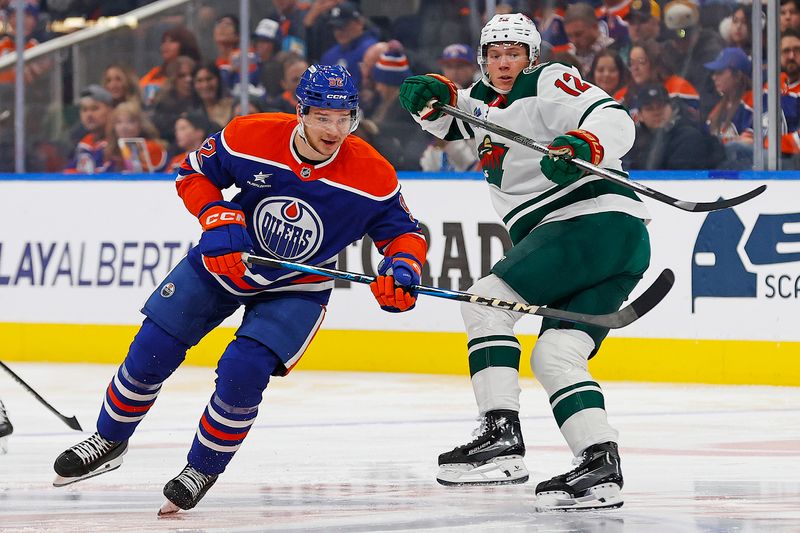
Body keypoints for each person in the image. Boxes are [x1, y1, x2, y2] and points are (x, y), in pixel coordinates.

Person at [52, 64, 428, 514]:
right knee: (153, 347)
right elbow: (192, 172)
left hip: (299, 285)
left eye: (343, 117)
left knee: (243, 369)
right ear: (300, 111)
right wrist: (215, 215)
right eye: (322, 117)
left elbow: (402, 232)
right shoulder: (250, 135)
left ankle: (202, 468)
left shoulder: (372, 173)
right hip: (225, 259)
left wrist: (403, 267)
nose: (334, 129)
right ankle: (109, 439)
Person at [398, 13, 651, 510]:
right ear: (482, 60)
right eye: (494, 54)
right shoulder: (481, 103)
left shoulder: (548, 80)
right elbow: (447, 112)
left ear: (531, 56)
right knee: (555, 355)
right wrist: (423, 97)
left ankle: (500, 437)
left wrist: (587, 143)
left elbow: (613, 116)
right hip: (615, 243)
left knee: (485, 304)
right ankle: (600, 464)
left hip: (588, 222)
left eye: (513, 53)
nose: (504, 62)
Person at [622, 83, 724, 170]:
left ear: (671, 108)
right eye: (649, 108)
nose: (657, 112)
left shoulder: (688, 136)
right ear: (639, 115)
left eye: (661, 106)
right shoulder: (630, 142)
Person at [65, 85, 114, 173]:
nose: (89, 115)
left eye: (95, 108)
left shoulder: (118, 144)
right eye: (84, 110)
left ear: (110, 111)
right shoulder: (83, 144)